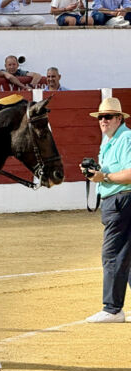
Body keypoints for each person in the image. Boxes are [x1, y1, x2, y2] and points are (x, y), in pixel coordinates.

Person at [82, 98, 131, 323]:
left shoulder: (126, 138)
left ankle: (112, 308)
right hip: (117, 200)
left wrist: (105, 177)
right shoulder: (109, 140)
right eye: (101, 117)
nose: (103, 120)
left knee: (112, 254)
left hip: (123, 200)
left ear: (119, 118)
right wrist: (94, 172)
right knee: (127, 255)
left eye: (108, 116)